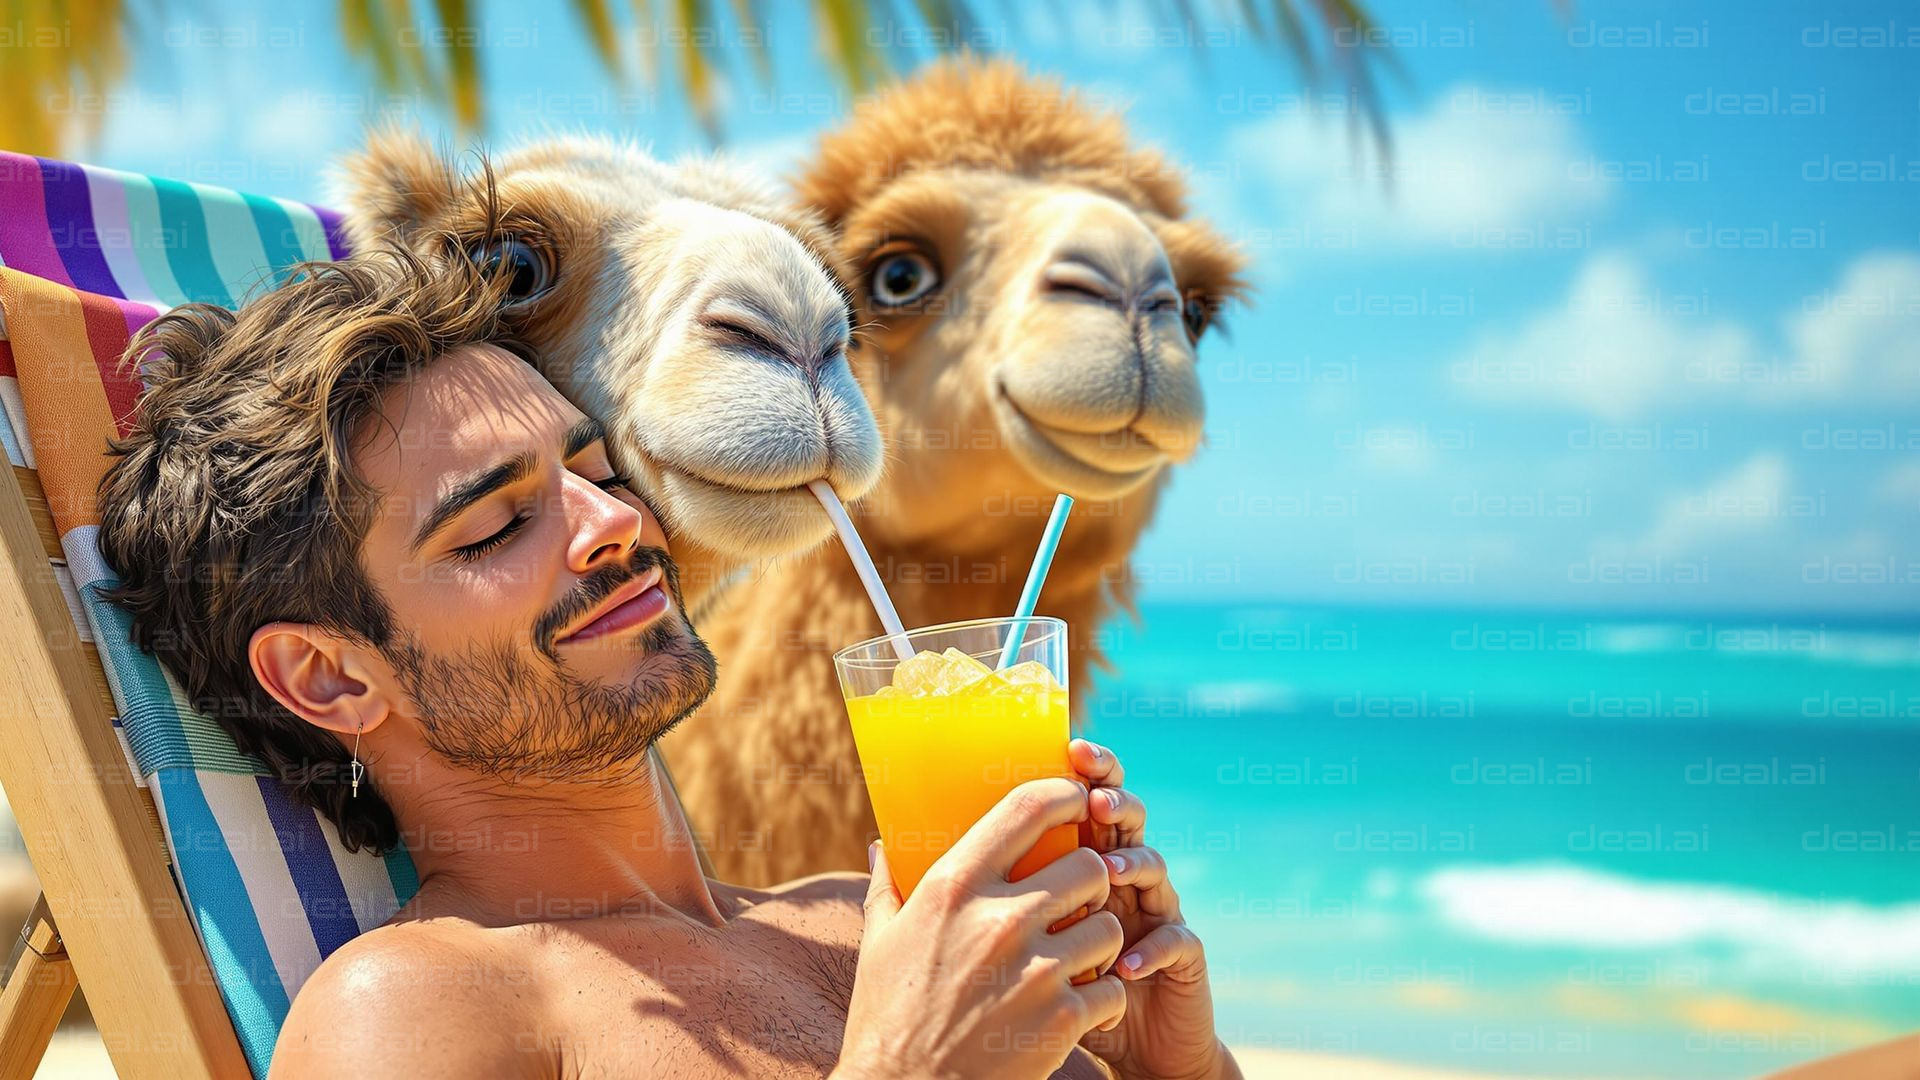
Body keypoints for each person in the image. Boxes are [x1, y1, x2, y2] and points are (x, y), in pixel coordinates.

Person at [97, 251, 1239, 1080]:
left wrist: (1173, 1067)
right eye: (493, 526)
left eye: (594, 469)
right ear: (330, 677)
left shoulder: (869, 920)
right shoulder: (421, 1013)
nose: (616, 522)